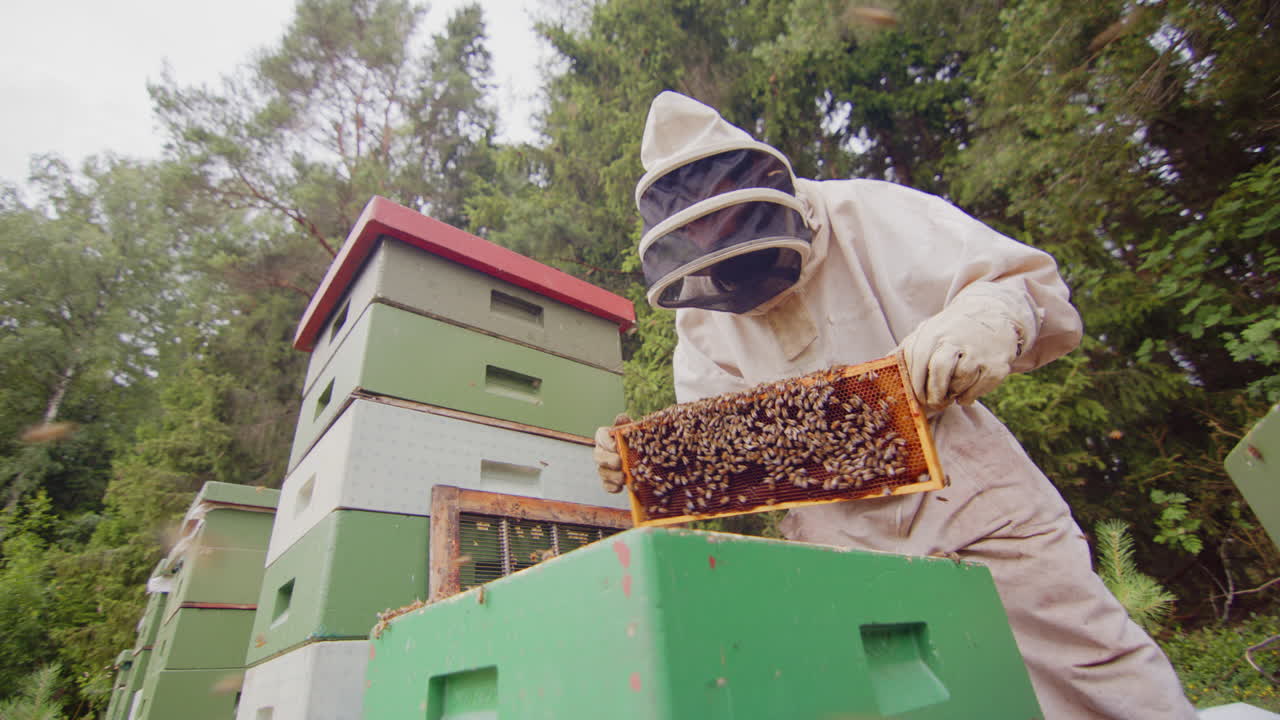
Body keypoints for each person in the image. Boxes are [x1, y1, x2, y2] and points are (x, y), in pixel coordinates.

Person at [593, 91, 1197, 719]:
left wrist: (985, 320)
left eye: (732, 229)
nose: (724, 251)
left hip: (964, 492)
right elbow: (724, 441)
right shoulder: (703, 317)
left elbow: (1026, 284)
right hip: (834, 537)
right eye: (703, 237)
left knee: (1088, 663)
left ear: (765, 188)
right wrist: (650, 462)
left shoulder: (867, 212)